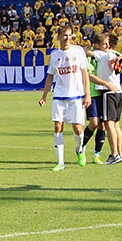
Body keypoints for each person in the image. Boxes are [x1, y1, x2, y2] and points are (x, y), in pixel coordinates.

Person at [38, 24, 90, 171]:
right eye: (64, 35)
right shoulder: (55, 55)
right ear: (59, 37)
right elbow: (50, 76)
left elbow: (85, 73)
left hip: (77, 96)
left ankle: (80, 149)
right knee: (57, 126)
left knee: (78, 129)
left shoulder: (78, 51)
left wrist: (87, 94)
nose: (67, 38)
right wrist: (44, 96)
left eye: (69, 35)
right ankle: (60, 162)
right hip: (59, 95)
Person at [88, 33, 122, 164]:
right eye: (105, 43)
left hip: (108, 91)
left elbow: (86, 52)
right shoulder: (113, 53)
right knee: (116, 125)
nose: (107, 45)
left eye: (107, 43)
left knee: (109, 124)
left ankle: (114, 154)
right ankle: (120, 153)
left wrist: (91, 48)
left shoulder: (101, 54)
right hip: (119, 92)